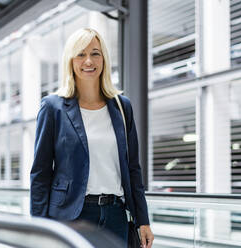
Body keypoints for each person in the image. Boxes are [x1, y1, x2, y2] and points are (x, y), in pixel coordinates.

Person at [30, 27, 154, 248]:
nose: (89, 61)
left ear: (104, 58)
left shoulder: (121, 106)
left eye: (95, 53)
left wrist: (143, 220)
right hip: (71, 215)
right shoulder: (52, 108)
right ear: (71, 60)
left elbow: (133, 168)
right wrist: (40, 229)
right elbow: (40, 173)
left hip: (116, 215)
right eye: (81, 54)